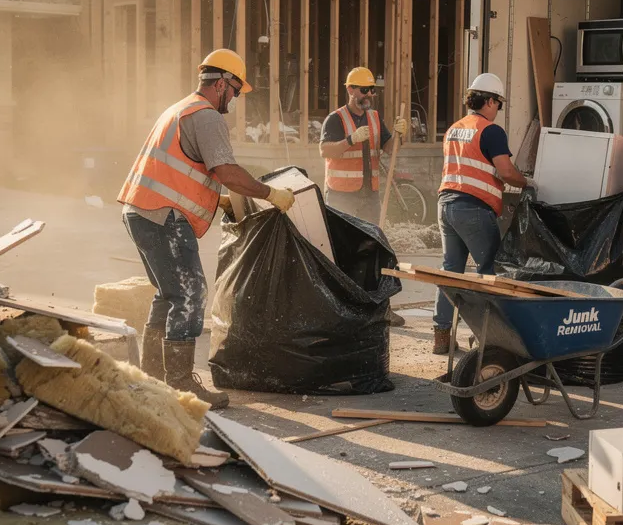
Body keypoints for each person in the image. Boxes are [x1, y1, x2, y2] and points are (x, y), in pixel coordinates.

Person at [119, 48, 296, 407]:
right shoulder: (207, 116)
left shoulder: (179, 108)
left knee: (168, 294)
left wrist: (221, 202)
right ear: (221, 84)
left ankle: (153, 374)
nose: (234, 98)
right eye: (235, 91)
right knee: (190, 292)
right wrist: (269, 193)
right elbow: (225, 171)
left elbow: (188, 169)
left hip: (141, 211)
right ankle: (181, 384)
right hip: (163, 216)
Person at [431, 73, 534, 355]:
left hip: (446, 205)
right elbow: (506, 172)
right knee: (490, 272)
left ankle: (441, 335)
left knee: (450, 273)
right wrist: (529, 182)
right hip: (474, 209)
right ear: (489, 101)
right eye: (498, 104)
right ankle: (488, 338)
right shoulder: (490, 131)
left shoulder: (454, 128)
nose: (498, 110)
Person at [318, 67, 408, 224]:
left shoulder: (375, 117)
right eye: (364, 89)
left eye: (371, 89)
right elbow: (324, 151)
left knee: (370, 242)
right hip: (341, 195)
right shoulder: (335, 119)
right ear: (350, 89)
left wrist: (399, 135)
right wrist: (351, 140)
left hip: (370, 195)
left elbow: (389, 148)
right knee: (343, 242)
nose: (369, 94)